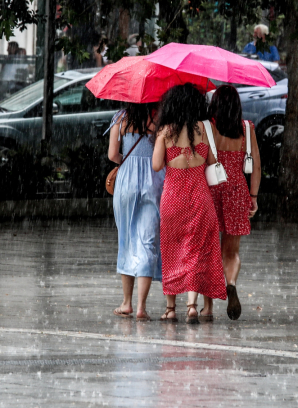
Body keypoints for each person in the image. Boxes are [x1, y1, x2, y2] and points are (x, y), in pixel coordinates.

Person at [152, 84, 227, 324]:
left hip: (173, 198)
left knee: (172, 249)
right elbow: (212, 161)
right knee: (195, 250)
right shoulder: (205, 129)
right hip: (199, 198)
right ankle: (192, 306)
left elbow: (155, 165)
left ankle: (170, 308)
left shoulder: (165, 131)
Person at [200, 86, 261, 321]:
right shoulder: (247, 129)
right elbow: (255, 165)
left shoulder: (209, 128)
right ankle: (231, 282)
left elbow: (200, 160)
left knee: (208, 249)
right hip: (237, 191)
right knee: (231, 251)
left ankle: (207, 307)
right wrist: (253, 196)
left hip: (212, 189)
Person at [108, 102, 165, 321]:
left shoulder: (120, 118)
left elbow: (113, 154)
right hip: (154, 181)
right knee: (148, 242)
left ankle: (126, 303)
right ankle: (141, 306)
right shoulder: (157, 120)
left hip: (126, 182)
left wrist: (127, 161)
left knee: (126, 240)